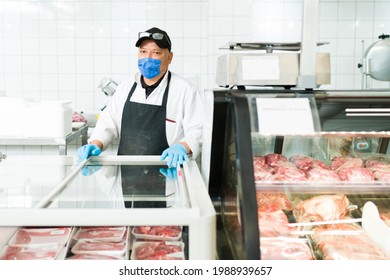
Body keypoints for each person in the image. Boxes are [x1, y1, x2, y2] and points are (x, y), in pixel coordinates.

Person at [77, 27, 204, 168]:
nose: (148, 58)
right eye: (143, 52)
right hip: (127, 177)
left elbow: (198, 130)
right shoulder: (125, 88)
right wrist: (96, 144)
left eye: (156, 53)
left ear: (169, 57)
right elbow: (108, 124)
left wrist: (183, 146)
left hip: (168, 176)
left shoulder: (185, 90)